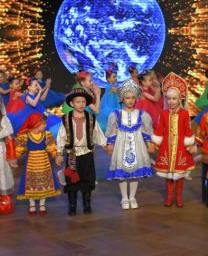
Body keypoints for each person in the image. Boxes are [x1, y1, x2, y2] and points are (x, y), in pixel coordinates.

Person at [56, 88, 107, 216]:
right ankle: (72, 205)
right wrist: (59, 153)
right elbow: (61, 136)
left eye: (83, 102)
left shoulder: (90, 118)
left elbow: (97, 133)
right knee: (71, 179)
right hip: (72, 154)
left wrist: (105, 145)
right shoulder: (66, 119)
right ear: (72, 103)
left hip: (86, 153)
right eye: (78, 102)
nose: (81, 104)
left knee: (87, 178)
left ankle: (87, 203)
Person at [105, 79, 154, 210]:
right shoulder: (116, 114)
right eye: (127, 98)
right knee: (121, 173)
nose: (130, 100)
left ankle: (132, 197)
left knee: (135, 174)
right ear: (122, 99)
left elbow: (144, 131)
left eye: (133, 97)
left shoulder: (141, 114)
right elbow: (113, 131)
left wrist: (149, 143)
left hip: (137, 145)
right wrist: (110, 144)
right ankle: (124, 198)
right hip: (121, 145)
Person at [152, 72, 195, 207]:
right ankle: (169, 196)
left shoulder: (185, 114)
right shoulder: (164, 113)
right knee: (168, 175)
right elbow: (159, 129)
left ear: (180, 99)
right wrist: (155, 142)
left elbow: (188, 130)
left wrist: (190, 143)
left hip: (181, 148)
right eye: (169, 99)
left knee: (179, 174)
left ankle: (179, 197)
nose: (171, 101)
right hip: (167, 148)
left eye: (174, 99)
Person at [16, 113, 61, 216]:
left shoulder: (47, 135)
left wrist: (56, 155)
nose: (45, 125)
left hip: (44, 162)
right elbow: (20, 149)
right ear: (36, 124)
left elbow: (51, 147)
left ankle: (42, 203)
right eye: (43, 124)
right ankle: (32, 204)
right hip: (31, 163)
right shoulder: (26, 136)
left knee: (44, 182)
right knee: (31, 183)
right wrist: (14, 157)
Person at [98, 67, 120, 131]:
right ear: (108, 79)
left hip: (115, 102)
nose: (116, 78)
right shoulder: (110, 87)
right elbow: (117, 90)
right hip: (109, 104)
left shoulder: (116, 85)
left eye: (116, 76)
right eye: (114, 77)